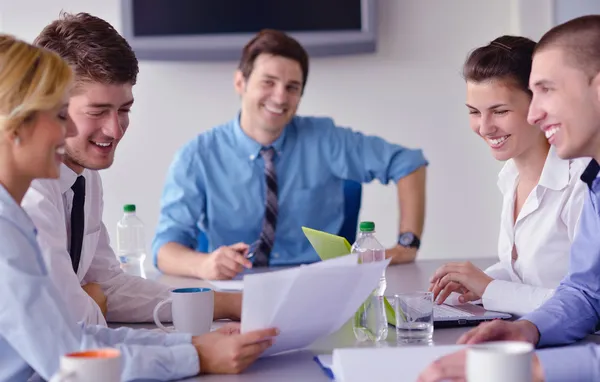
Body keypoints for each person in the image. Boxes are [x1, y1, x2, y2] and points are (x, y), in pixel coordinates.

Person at [0, 34, 278, 382]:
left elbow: (96, 308)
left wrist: (194, 347)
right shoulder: (12, 222)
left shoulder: (72, 185)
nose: (114, 129)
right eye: (60, 114)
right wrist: (194, 355)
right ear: (15, 126)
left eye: (124, 110)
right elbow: (71, 349)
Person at [20, 12, 241, 327]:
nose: (115, 130)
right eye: (97, 112)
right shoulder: (30, 191)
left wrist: (225, 303)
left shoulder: (85, 177)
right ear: (50, 104)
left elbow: (109, 285)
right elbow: (69, 326)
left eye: (124, 110)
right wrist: (93, 302)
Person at [153, 29, 429, 280]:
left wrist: (407, 244)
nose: (280, 97)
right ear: (241, 82)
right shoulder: (197, 157)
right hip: (236, 292)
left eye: (292, 87)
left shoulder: (326, 139)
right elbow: (165, 248)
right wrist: (202, 264)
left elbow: (408, 162)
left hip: (317, 285)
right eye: (268, 82)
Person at [419, 15, 600, 382]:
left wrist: (533, 365)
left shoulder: (581, 184)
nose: (534, 113)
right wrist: (527, 330)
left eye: (547, 90)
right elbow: (585, 293)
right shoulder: (595, 185)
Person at [428, 36, 587, 316]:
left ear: (540, 107)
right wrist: (475, 281)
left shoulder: (583, 184)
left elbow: (586, 305)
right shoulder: (511, 176)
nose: (485, 128)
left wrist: (488, 288)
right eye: (475, 112)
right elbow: (525, 273)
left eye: (500, 111)